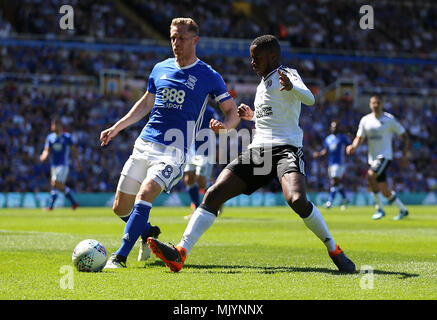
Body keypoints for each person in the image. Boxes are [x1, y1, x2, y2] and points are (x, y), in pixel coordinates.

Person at [148, 35, 356, 273]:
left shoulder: (287, 72)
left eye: (257, 58)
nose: (252, 63)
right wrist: (252, 116)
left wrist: (292, 86)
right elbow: (273, 116)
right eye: (251, 58)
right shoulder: (262, 84)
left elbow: (309, 98)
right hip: (258, 151)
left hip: (286, 149)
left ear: (273, 57)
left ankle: (333, 248)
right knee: (214, 193)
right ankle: (180, 252)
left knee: (297, 200)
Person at [99, 17, 240, 268]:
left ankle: (119, 256)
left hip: (174, 151)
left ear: (195, 40)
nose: (176, 43)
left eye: (182, 38)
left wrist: (225, 127)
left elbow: (232, 111)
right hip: (145, 143)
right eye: (173, 37)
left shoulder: (209, 75)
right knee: (120, 208)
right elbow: (144, 104)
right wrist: (117, 127)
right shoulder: (159, 68)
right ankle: (147, 232)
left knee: (146, 193)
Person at [346, 95, 409, 220]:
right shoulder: (365, 120)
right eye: (373, 103)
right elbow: (360, 137)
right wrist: (353, 146)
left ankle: (379, 208)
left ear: (382, 104)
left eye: (378, 103)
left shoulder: (389, 119)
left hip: (385, 156)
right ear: (370, 104)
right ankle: (403, 209)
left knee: (370, 175)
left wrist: (404, 155)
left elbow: (404, 135)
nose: (376, 105)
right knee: (384, 189)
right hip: (373, 158)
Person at [183, 105, 221, 219]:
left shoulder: (209, 111)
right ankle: (196, 209)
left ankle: (216, 201)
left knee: (201, 180)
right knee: (189, 179)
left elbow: (219, 126)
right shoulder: (187, 108)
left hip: (205, 150)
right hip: (190, 149)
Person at [39, 118, 81, 210]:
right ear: (52, 127)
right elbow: (46, 150)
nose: (56, 126)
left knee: (55, 183)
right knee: (56, 184)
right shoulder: (50, 138)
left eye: (58, 124)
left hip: (63, 165)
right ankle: (73, 203)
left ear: (61, 126)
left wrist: (77, 162)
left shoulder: (67, 137)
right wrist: (43, 156)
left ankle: (51, 206)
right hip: (53, 165)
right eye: (54, 124)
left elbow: (74, 150)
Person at [313, 121, 350, 210]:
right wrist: (319, 154)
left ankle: (330, 202)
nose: (334, 129)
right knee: (336, 183)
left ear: (339, 128)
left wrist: (349, 157)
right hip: (331, 164)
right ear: (330, 128)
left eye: (336, 127)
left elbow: (350, 147)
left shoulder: (343, 138)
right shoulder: (328, 139)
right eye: (333, 127)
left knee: (334, 181)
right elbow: (325, 151)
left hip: (340, 163)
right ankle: (345, 198)